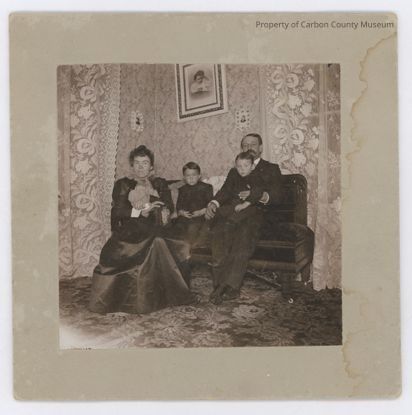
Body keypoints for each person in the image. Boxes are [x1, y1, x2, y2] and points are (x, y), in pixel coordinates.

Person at [88, 145, 195, 315]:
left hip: (156, 225)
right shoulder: (123, 184)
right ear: (132, 166)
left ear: (151, 166)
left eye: (145, 163)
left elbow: (168, 205)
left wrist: (160, 208)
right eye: (137, 163)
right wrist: (141, 210)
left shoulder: (159, 183)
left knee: (178, 242)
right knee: (155, 242)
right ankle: (141, 300)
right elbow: (118, 211)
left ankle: (168, 295)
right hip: (132, 228)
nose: (140, 167)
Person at [205, 133, 283, 304]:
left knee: (244, 235)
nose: (249, 148)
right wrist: (213, 203)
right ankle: (219, 284)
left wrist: (257, 195)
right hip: (235, 212)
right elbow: (225, 191)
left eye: (253, 144)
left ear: (261, 148)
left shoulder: (271, 168)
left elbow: (278, 196)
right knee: (219, 231)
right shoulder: (235, 170)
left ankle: (231, 286)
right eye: (245, 145)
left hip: (258, 213)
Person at [214, 151, 263, 225]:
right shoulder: (234, 174)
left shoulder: (256, 176)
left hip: (250, 206)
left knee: (234, 220)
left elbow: (258, 191)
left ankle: (230, 223)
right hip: (235, 204)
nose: (242, 169)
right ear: (236, 166)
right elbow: (226, 190)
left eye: (246, 166)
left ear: (253, 166)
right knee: (218, 213)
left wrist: (244, 205)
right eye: (239, 166)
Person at [174, 162, 213, 247]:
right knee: (177, 227)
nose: (191, 178)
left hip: (201, 216)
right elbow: (179, 206)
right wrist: (182, 212)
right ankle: (181, 247)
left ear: (199, 176)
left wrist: (201, 211)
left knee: (193, 228)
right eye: (188, 175)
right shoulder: (182, 189)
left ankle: (193, 247)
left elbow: (211, 204)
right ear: (184, 177)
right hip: (186, 216)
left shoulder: (206, 187)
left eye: (194, 175)